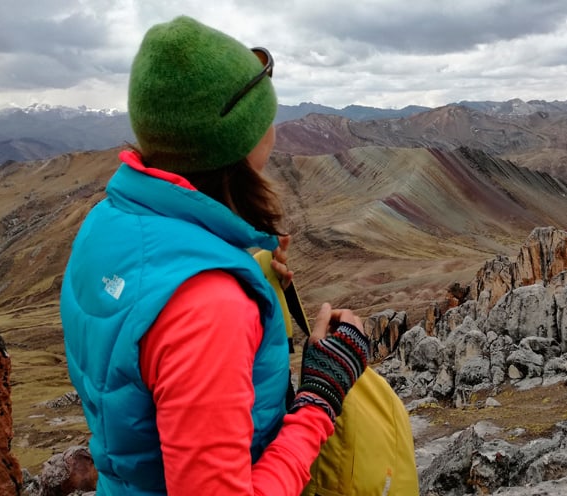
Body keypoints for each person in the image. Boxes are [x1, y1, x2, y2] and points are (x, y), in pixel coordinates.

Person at [60, 15, 369, 496]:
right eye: (267, 119)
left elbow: (146, 326)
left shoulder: (104, 223)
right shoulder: (208, 306)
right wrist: (319, 399)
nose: (276, 131)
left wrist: (251, 275)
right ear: (239, 143)